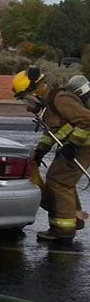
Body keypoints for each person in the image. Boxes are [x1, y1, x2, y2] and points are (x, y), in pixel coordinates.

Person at [13, 67, 90, 242]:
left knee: (59, 182)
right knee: (60, 180)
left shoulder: (61, 99)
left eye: (24, 97)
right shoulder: (49, 105)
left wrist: (73, 144)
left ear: (34, 90)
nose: (25, 103)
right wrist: (41, 150)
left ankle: (64, 230)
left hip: (83, 147)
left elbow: (86, 120)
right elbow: (57, 132)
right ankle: (73, 218)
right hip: (75, 147)